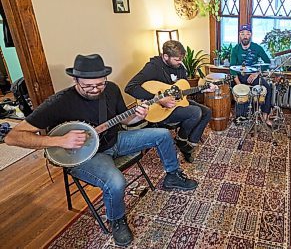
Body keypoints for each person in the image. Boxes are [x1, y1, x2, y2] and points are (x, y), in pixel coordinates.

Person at [4, 54, 198, 246]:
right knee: (116, 181)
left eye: (100, 84)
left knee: (163, 134)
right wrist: (60, 140)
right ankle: (117, 220)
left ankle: (172, 176)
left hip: (115, 140)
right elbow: (12, 137)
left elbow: (126, 119)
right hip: (87, 155)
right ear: (75, 80)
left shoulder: (111, 89)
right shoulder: (60, 101)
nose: (95, 89)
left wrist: (140, 115)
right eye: (88, 86)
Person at [125, 41, 214, 163]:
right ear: (165, 56)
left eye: (181, 59)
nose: (180, 62)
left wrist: (203, 89)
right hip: (159, 110)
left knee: (207, 112)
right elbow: (130, 87)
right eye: (177, 59)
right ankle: (182, 141)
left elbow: (182, 90)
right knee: (195, 112)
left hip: (176, 104)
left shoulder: (180, 67)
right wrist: (159, 99)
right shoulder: (153, 67)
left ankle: (189, 143)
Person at [230, 24, 273, 126]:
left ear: (251, 35)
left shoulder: (257, 48)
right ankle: (239, 115)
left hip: (253, 76)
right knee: (234, 89)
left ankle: (265, 116)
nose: (245, 36)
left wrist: (256, 73)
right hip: (239, 77)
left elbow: (267, 62)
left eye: (248, 34)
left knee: (267, 87)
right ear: (239, 35)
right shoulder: (235, 49)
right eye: (242, 34)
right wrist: (239, 84)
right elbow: (232, 69)